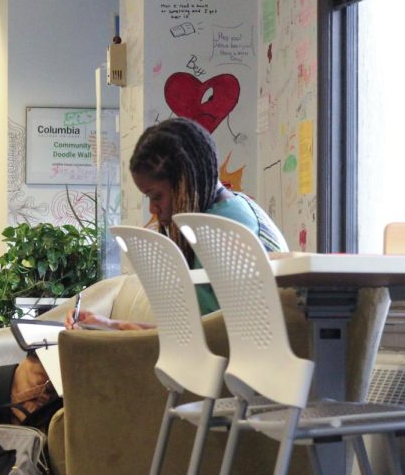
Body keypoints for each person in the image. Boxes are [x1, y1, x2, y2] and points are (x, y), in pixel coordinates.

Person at [66, 116, 287, 331]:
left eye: (156, 196)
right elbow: (198, 336)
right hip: (225, 359)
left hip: (240, 362)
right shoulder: (223, 214)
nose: (153, 209)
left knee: (40, 363)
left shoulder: (224, 227)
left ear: (185, 183)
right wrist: (112, 326)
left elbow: (217, 340)